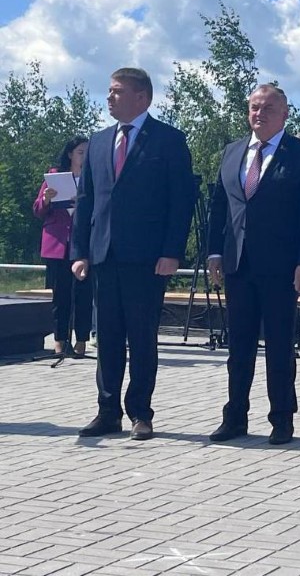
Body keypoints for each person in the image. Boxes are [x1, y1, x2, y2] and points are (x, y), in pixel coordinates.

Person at [71, 67, 194, 441]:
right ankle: (107, 411)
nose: (109, 97)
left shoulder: (169, 140)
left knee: (142, 337)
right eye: (109, 91)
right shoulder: (98, 142)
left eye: (117, 91)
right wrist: (80, 251)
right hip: (104, 254)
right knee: (107, 337)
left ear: (142, 97)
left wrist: (172, 251)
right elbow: (86, 200)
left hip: (147, 258)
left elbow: (181, 201)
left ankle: (140, 411)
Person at [207, 85, 300, 445]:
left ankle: (282, 419)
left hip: (281, 267)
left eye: (268, 108)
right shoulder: (232, 152)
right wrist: (214, 253)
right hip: (238, 263)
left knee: (279, 346)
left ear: (285, 114)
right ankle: (235, 417)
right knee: (238, 346)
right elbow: (220, 207)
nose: (259, 114)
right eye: (254, 108)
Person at [33, 137, 92, 356]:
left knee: (83, 294)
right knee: (61, 295)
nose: (84, 157)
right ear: (70, 154)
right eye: (80, 152)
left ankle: (82, 340)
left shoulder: (93, 177)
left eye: (87, 153)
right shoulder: (55, 176)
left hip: (84, 243)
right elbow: (38, 210)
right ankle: (59, 340)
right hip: (58, 243)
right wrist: (47, 199)